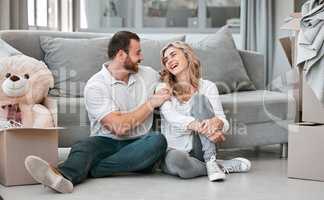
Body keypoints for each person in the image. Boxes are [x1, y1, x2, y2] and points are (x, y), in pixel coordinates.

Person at [24, 31, 170, 193]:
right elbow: (119, 128)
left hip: (140, 143)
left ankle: (92, 169)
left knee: (157, 141)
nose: (141, 57)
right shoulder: (96, 85)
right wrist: (151, 103)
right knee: (84, 145)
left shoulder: (148, 74)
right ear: (121, 55)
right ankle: (63, 177)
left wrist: (165, 87)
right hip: (105, 141)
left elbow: (168, 80)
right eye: (137, 53)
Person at [156, 41, 251, 181]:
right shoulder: (162, 87)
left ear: (187, 55)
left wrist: (216, 122)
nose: (169, 61)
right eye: (166, 60)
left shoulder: (208, 86)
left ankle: (210, 159)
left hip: (201, 148)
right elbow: (171, 116)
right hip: (174, 150)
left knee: (199, 100)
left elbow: (224, 123)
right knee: (176, 161)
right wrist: (198, 125)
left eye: (173, 55)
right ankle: (218, 166)